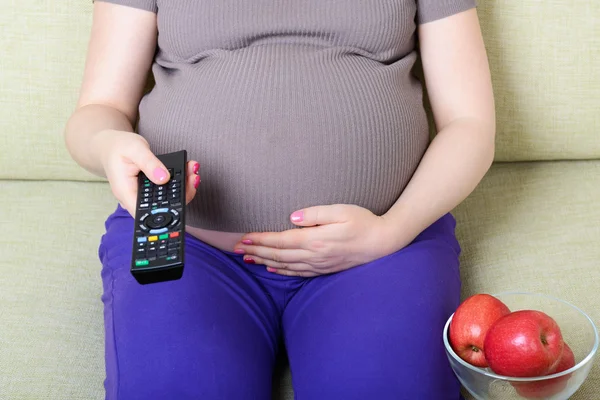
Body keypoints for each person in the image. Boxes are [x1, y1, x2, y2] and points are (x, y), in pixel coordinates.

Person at [65, 0, 495, 399]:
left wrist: (393, 230)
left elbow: (468, 122)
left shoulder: (390, 236)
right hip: (184, 242)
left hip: (383, 244)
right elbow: (99, 108)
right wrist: (107, 146)